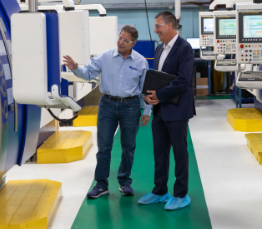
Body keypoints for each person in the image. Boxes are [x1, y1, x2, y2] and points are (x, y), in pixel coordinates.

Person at [63, 25, 151, 199]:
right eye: (120, 38)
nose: (121, 42)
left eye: (126, 40)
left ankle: (124, 181)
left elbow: (145, 89)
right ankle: (101, 184)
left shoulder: (141, 62)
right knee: (104, 147)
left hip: (131, 106)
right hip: (107, 105)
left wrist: (147, 110)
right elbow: (88, 74)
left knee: (128, 147)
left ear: (133, 43)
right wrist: (75, 68)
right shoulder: (105, 56)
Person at [139, 11, 195, 211]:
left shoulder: (185, 48)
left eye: (158, 26)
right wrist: (148, 95)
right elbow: (156, 77)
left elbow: (183, 80)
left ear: (171, 25)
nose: (155, 31)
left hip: (178, 109)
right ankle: (160, 190)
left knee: (180, 153)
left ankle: (181, 194)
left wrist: (159, 95)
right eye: (155, 27)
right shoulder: (159, 49)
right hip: (160, 109)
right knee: (159, 152)